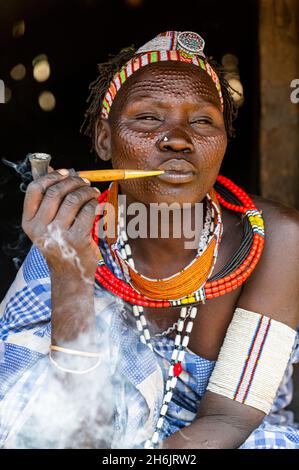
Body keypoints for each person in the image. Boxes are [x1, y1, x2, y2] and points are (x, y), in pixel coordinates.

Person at [1, 31, 299, 449]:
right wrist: (71, 271)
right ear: (105, 140)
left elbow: (231, 422)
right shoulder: (67, 233)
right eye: (147, 118)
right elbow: (66, 430)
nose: (178, 139)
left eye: (202, 121)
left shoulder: (278, 240)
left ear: (223, 144)